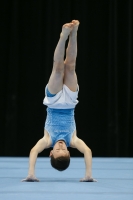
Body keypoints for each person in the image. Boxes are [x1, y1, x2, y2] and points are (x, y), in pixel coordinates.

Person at [22, 20, 96, 182]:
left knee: (57, 68)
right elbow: (87, 151)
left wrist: (31, 173)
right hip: (70, 102)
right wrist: (88, 175)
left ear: (50, 152)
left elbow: (34, 151)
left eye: (57, 150)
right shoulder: (73, 140)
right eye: (64, 150)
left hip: (53, 101)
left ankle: (63, 37)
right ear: (69, 152)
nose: (61, 146)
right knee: (70, 66)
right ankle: (74, 33)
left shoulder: (47, 140)